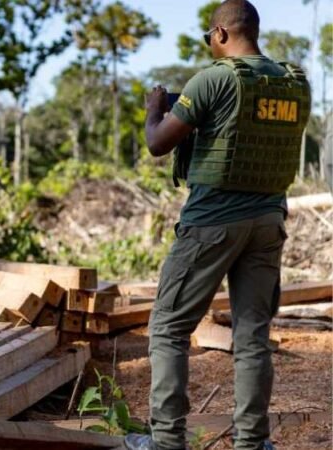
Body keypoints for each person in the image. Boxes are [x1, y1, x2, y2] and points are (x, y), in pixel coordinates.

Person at [124, 1, 311, 450]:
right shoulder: (293, 82)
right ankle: (252, 442)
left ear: (221, 33)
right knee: (252, 336)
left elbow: (157, 144)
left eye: (209, 37)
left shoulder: (213, 79)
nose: (210, 45)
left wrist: (154, 109)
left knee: (168, 327)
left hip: (212, 222)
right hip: (268, 221)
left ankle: (167, 442)